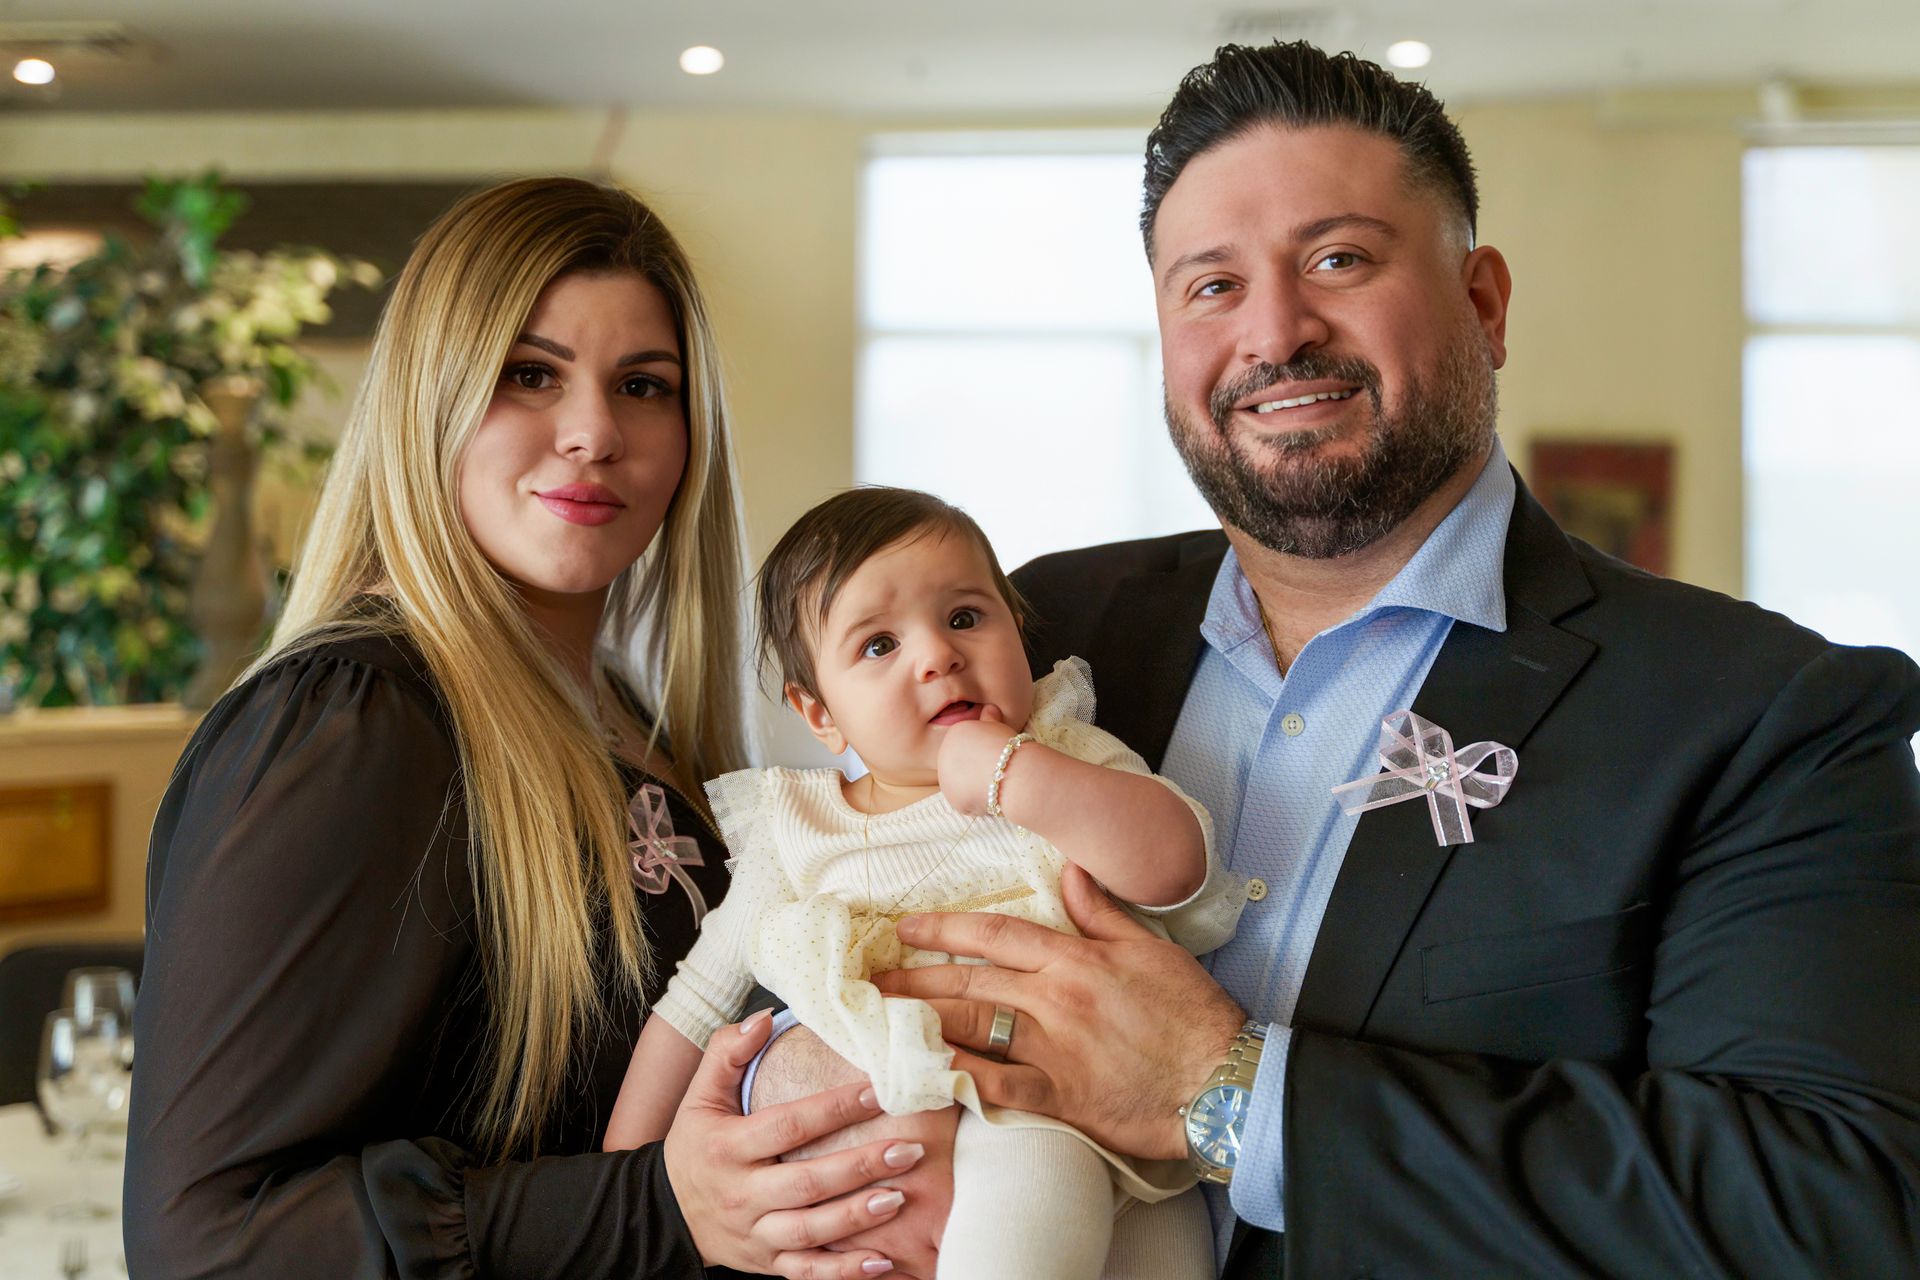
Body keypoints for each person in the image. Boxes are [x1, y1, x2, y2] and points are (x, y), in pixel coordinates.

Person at [870, 41, 1920, 1277]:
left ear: (1484, 303)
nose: (1276, 331)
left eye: (1339, 259)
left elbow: (1838, 1203)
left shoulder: (1760, 713)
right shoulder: (1047, 629)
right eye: (1211, 286)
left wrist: (1231, 1094)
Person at [126, 177, 929, 1280]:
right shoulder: (351, 726)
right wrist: (659, 1204)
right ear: (431, 397)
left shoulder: (636, 722)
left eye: (644, 385)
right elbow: (207, 1241)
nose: (594, 432)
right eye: (529, 374)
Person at [604, 486, 1242, 1280]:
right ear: (821, 714)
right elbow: (697, 1003)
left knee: (1180, 1249)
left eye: (966, 617)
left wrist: (1020, 777)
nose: (937, 655)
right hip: (975, 1116)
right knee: (1035, 1180)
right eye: (878, 646)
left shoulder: (1064, 749)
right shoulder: (803, 831)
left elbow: (1178, 869)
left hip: (1129, 1108)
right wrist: (629, 1179)